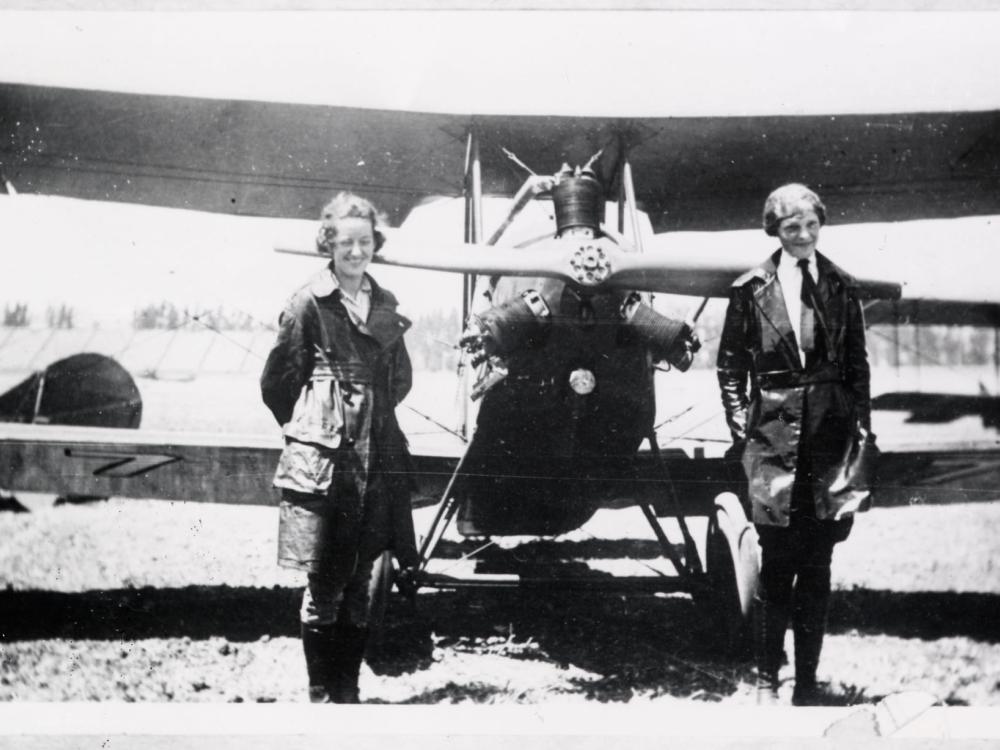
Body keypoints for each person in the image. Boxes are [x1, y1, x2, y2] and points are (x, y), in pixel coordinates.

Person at [716, 183, 874, 705]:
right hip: (773, 443)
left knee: (820, 565)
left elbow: (858, 368)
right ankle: (766, 680)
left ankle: (806, 684)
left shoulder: (842, 285)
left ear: (819, 226)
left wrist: (860, 435)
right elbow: (731, 369)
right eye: (791, 228)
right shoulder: (749, 289)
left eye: (810, 226)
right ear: (775, 232)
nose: (803, 236)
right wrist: (746, 432)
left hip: (829, 442)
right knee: (776, 563)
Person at [261, 192, 417, 703]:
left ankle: (347, 691)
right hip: (326, 463)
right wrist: (316, 428)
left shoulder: (387, 303)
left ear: (376, 244)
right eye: (345, 242)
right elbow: (278, 382)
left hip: (376, 457)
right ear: (328, 243)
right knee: (325, 584)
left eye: (365, 242)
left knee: (361, 582)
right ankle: (320, 694)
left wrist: (370, 415)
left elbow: (400, 381)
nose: (355, 252)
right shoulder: (308, 301)